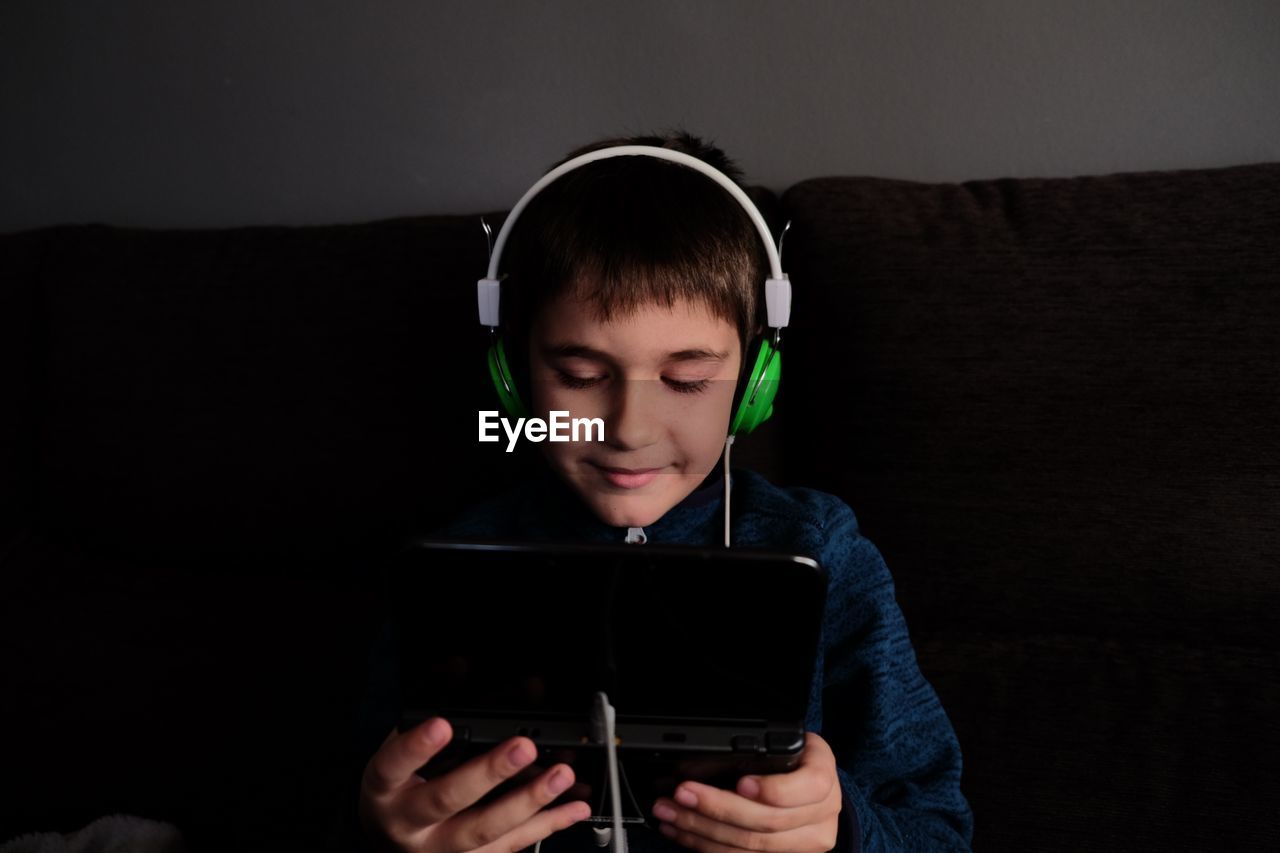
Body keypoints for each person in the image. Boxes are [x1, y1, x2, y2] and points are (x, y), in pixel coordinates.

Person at [358, 132, 973, 852]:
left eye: (686, 379)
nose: (631, 427)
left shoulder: (820, 549)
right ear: (514, 378)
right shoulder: (454, 565)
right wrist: (387, 833)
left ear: (753, 386)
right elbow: (363, 804)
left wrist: (839, 828)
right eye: (583, 375)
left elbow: (939, 833)